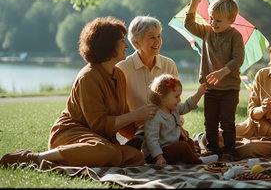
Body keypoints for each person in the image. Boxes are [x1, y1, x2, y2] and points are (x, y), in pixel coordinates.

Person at [0, 16, 155, 168]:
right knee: (105, 151)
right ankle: (34, 158)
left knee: (136, 157)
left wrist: (145, 128)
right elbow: (99, 125)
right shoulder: (88, 77)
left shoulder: (119, 75)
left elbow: (121, 118)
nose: (126, 46)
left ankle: (91, 155)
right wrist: (136, 115)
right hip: (71, 134)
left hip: (100, 140)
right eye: (121, 41)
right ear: (108, 45)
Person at [197, 27, 271, 160]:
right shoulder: (262, 74)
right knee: (208, 138)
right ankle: (217, 145)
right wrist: (262, 109)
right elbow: (252, 111)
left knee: (247, 149)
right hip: (251, 128)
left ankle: (222, 149)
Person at [185, 0, 245, 161]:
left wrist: (222, 72)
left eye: (218, 20)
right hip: (210, 88)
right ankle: (212, 150)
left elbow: (238, 59)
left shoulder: (235, 36)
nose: (213, 23)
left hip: (229, 89)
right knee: (209, 122)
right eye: (211, 18)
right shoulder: (206, 32)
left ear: (231, 20)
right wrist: (194, 5)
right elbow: (189, 24)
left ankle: (228, 151)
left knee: (227, 122)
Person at [117, 16, 180, 148]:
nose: (157, 41)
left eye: (159, 36)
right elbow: (118, 109)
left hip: (167, 129)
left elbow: (175, 103)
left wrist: (178, 126)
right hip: (137, 131)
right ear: (136, 43)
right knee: (141, 148)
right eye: (151, 37)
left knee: (183, 148)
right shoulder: (122, 69)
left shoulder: (169, 65)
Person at [142, 74, 219, 166]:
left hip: (170, 146)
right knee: (182, 147)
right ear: (162, 96)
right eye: (176, 97)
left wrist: (199, 93)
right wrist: (159, 157)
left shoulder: (174, 109)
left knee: (188, 141)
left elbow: (187, 106)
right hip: (156, 154)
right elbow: (152, 140)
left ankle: (193, 156)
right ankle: (198, 161)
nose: (179, 100)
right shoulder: (155, 116)